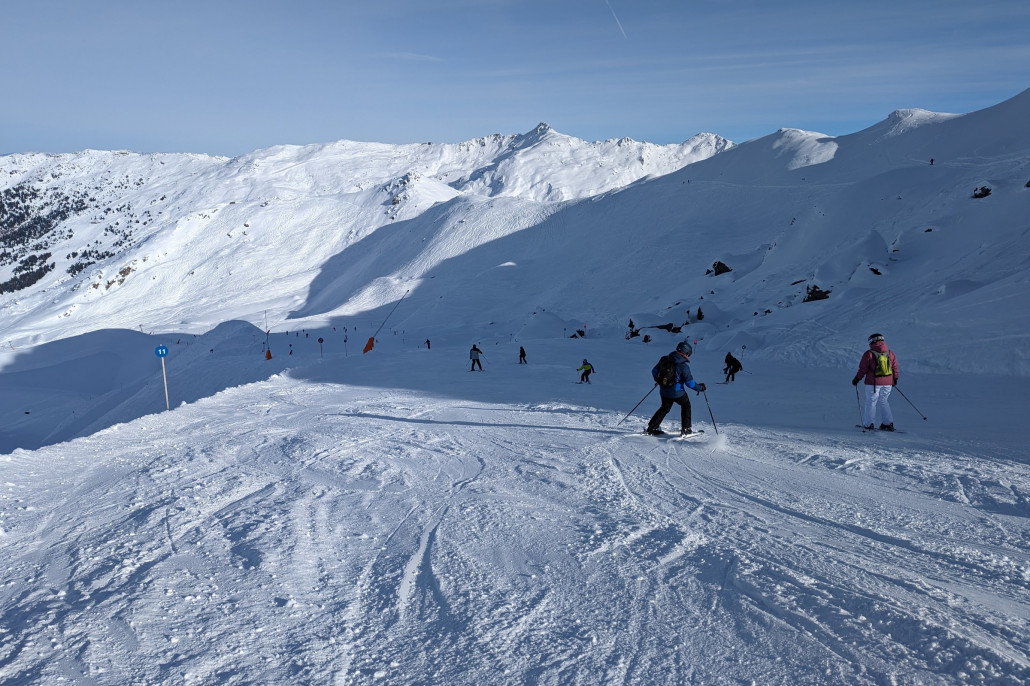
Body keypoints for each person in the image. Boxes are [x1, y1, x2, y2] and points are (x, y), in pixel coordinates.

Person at [646, 341, 706, 436]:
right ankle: (686, 429)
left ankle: (651, 428)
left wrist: (659, 380)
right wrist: (700, 388)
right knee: (686, 405)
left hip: (664, 391)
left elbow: (654, 371)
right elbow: (690, 384)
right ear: (686, 353)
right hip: (678, 393)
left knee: (664, 408)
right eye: (689, 354)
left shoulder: (664, 359)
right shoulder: (683, 366)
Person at [852, 332, 899, 430]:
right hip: (888, 383)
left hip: (873, 383)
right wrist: (895, 379)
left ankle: (869, 424)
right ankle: (888, 423)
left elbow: (863, 369)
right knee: (884, 401)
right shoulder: (890, 353)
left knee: (871, 402)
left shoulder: (869, 354)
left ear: (872, 341)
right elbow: (895, 367)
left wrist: (857, 379)